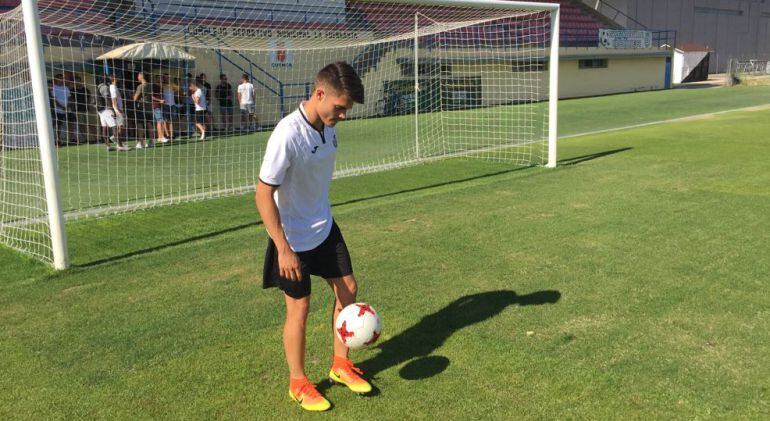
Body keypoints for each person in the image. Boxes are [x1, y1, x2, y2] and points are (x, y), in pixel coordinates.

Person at [255, 62, 366, 412]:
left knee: (348, 288)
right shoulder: (287, 134)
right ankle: (298, 382)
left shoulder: (328, 126)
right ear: (319, 94)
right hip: (292, 238)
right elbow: (262, 193)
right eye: (339, 107)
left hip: (324, 225)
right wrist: (282, 248)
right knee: (299, 308)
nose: (343, 115)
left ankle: (339, 364)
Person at [96, 76, 127, 151]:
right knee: (114, 127)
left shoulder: (98, 87)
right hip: (107, 109)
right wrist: (112, 109)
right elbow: (107, 98)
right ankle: (120, 145)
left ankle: (107, 145)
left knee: (104, 127)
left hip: (100, 110)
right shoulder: (105, 87)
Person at [132, 71, 155, 148]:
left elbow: (135, 98)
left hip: (142, 107)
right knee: (149, 124)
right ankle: (151, 142)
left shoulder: (140, 86)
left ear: (142, 76)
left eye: (138, 76)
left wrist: (133, 97)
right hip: (149, 106)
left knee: (140, 124)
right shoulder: (150, 85)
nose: (137, 77)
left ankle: (141, 143)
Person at [51, 74, 70, 146]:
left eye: (63, 78)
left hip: (64, 110)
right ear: (56, 79)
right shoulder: (54, 88)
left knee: (60, 126)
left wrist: (67, 107)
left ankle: (58, 140)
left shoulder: (66, 88)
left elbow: (69, 98)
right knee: (54, 125)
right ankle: (53, 140)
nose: (62, 80)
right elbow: (54, 99)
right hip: (56, 110)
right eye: (60, 78)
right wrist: (61, 107)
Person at [108, 73, 127, 149]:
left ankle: (117, 140)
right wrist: (118, 110)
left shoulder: (115, 87)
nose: (119, 78)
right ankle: (116, 140)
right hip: (117, 109)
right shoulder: (113, 87)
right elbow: (114, 99)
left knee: (120, 126)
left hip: (118, 108)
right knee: (121, 126)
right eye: (117, 77)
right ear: (114, 79)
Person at [161, 74, 177, 140]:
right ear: (163, 78)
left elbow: (178, 91)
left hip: (172, 104)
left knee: (171, 121)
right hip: (165, 105)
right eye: (166, 77)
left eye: (168, 77)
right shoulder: (161, 85)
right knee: (165, 120)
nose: (167, 78)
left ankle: (172, 135)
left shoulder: (172, 85)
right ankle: (167, 134)